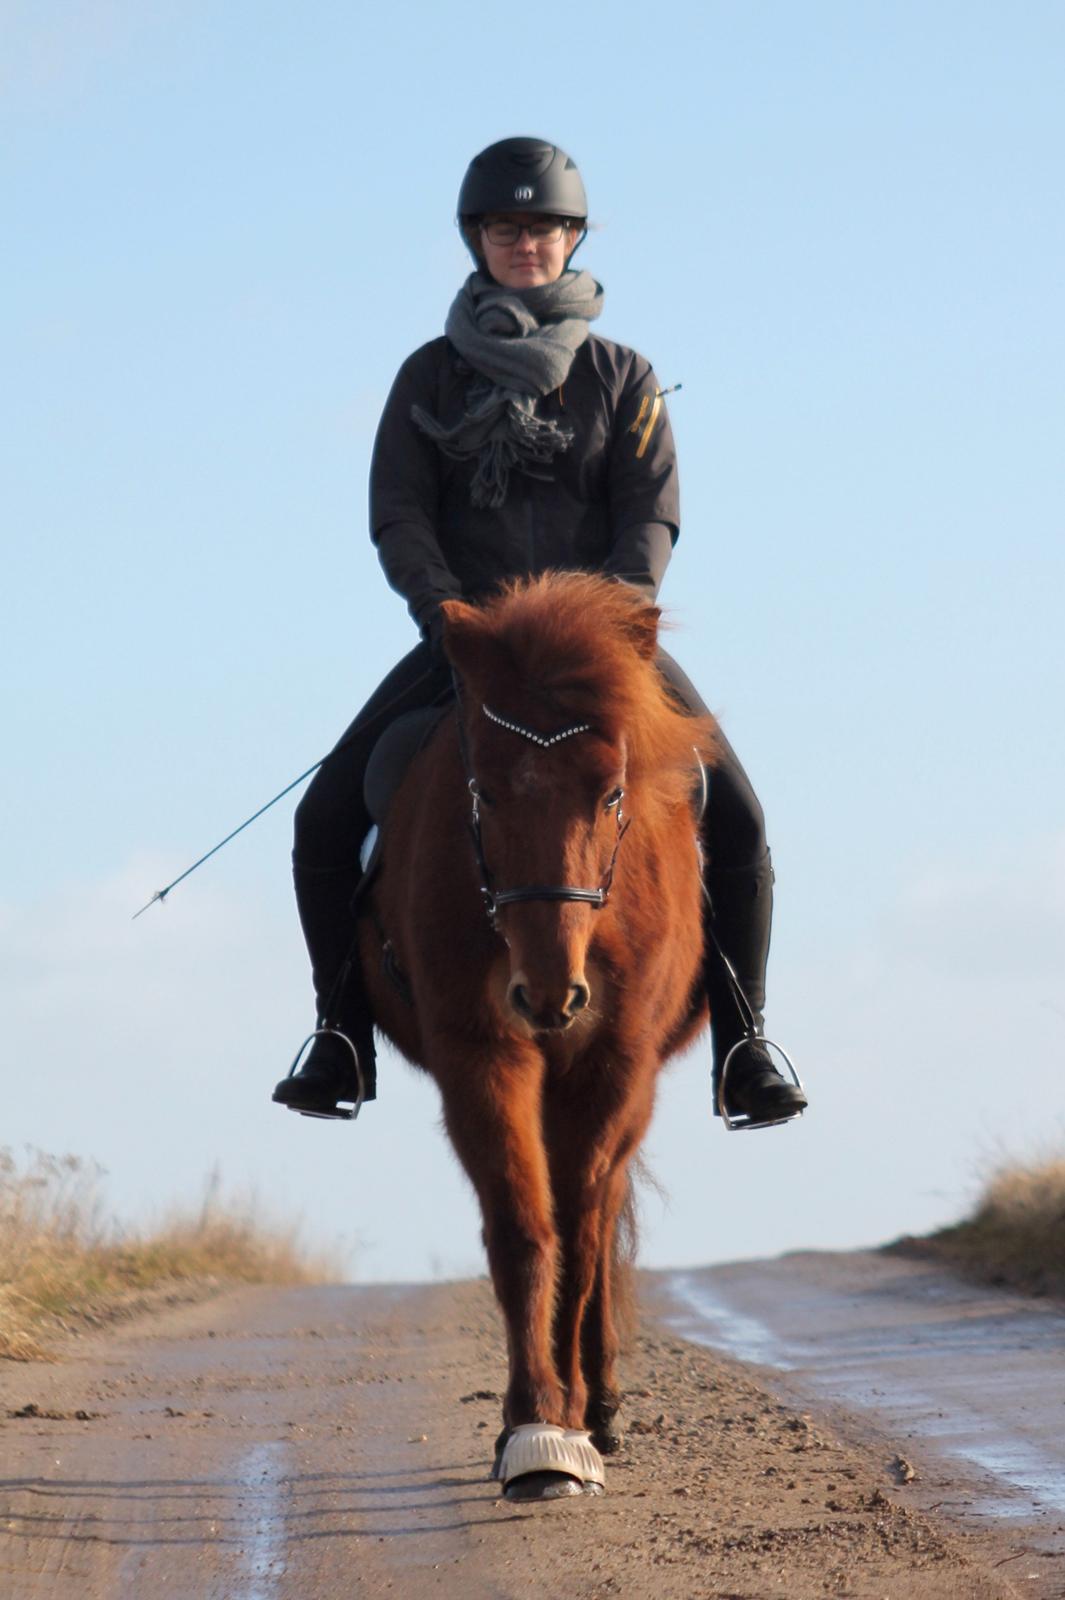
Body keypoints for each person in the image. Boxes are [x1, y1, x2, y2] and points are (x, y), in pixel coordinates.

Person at [272, 137, 808, 1130]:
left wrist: (609, 622)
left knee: (737, 812)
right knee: (323, 818)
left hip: (600, 652)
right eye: (506, 227)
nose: (527, 243)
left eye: (545, 227)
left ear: (573, 238)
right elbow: (399, 513)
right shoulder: (427, 379)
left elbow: (650, 516)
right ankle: (340, 1033)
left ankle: (743, 1041)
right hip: (471, 643)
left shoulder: (624, 376)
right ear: (476, 239)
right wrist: (442, 611)